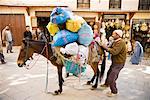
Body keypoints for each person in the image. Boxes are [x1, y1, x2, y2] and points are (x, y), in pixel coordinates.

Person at [97, 30, 127, 97]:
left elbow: (114, 52)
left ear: (118, 35)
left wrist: (105, 47)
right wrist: (104, 46)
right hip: (115, 62)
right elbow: (109, 48)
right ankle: (106, 84)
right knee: (109, 73)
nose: (112, 35)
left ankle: (114, 91)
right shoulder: (115, 42)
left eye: (114, 34)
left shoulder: (121, 42)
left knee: (112, 77)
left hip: (119, 63)